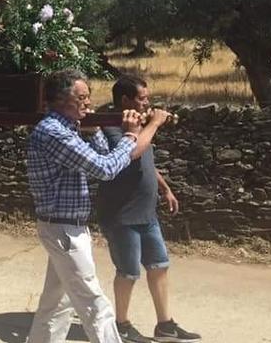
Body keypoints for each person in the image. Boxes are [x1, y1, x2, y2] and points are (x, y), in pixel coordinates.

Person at [25, 69, 169, 343]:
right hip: (64, 231)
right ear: (60, 100)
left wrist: (93, 132)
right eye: (82, 98)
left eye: (88, 97)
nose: (89, 103)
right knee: (95, 305)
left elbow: (104, 156)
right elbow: (105, 169)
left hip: (68, 228)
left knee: (57, 305)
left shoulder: (69, 129)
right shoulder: (54, 132)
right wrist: (131, 135)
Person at [97, 76, 201, 343]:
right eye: (143, 98)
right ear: (125, 100)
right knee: (129, 272)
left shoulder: (139, 125)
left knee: (159, 266)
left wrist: (164, 188)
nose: (148, 103)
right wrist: (153, 124)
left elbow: (145, 160)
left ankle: (165, 325)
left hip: (146, 212)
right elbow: (131, 153)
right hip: (121, 215)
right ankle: (121, 324)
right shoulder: (112, 125)